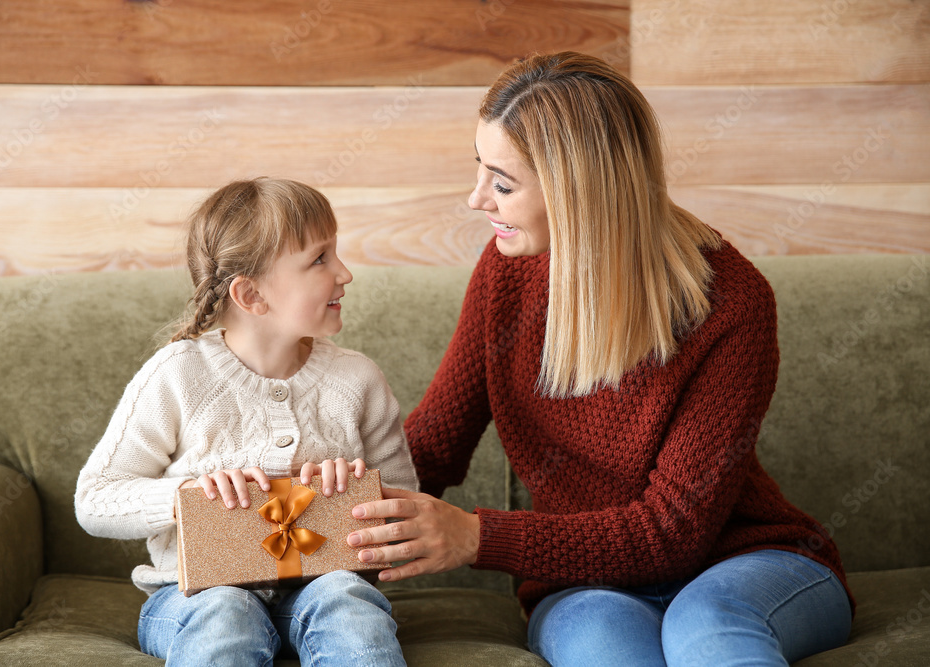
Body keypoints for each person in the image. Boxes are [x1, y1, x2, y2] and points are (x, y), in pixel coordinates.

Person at [345, 52, 854, 665]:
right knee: (606, 649)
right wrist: (294, 524)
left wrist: (478, 537)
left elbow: (670, 531)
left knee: (709, 628)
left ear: (579, 192)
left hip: (749, 561)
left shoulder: (733, 304)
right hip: (586, 585)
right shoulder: (505, 275)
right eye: (479, 169)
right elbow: (427, 449)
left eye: (502, 183)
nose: (477, 198)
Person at [75, 177, 418, 667]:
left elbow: (403, 514)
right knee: (226, 611)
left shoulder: (358, 380)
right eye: (320, 259)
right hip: (192, 597)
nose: (344, 272)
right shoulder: (178, 374)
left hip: (319, 590)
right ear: (251, 294)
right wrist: (187, 495)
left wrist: (358, 495)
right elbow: (95, 499)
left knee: (347, 601)